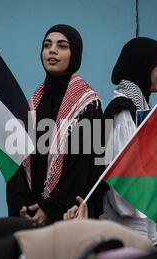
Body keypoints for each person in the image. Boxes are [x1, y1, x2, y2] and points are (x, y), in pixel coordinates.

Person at [7, 24, 105, 224]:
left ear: (74, 54)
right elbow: (15, 161)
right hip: (29, 216)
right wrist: (22, 206)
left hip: (69, 215)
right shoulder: (31, 105)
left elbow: (85, 169)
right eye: (47, 45)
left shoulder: (90, 105)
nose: (52, 50)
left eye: (62, 46)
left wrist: (50, 208)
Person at [100, 37, 157, 244]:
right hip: (128, 234)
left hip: (147, 231)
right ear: (143, 66)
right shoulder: (123, 112)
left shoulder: (142, 109)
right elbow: (123, 187)